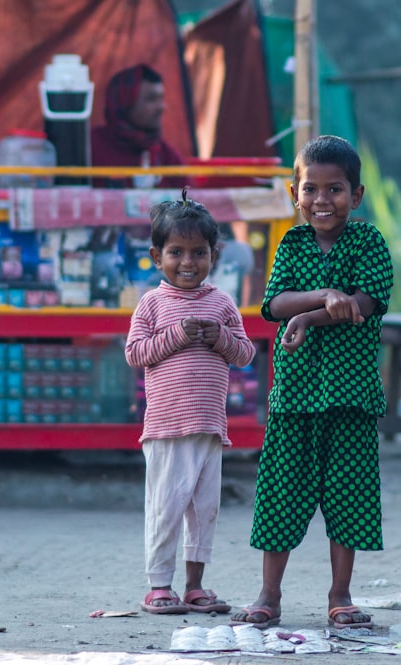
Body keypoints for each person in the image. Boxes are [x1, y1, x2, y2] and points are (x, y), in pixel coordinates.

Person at [230, 135, 393, 630]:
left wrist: (311, 319)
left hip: (351, 398)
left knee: (348, 500)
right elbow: (274, 305)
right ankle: (268, 596)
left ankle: (340, 597)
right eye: (312, 190)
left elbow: (364, 304)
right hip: (295, 398)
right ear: (294, 194)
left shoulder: (370, 243)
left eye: (336, 189)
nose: (323, 200)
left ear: (356, 195)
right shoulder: (291, 243)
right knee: (280, 495)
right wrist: (322, 298)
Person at [125, 190, 257, 614]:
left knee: (204, 510)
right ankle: (158, 585)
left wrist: (220, 338)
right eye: (176, 252)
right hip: (166, 427)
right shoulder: (152, 303)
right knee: (166, 507)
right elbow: (136, 354)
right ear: (156, 255)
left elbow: (245, 353)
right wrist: (177, 335)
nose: (188, 262)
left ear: (213, 255)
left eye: (198, 252)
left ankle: (195, 585)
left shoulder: (222, 303)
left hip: (210, 429)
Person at [91, 64, 190, 189]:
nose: (161, 107)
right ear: (125, 103)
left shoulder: (166, 156)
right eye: (151, 99)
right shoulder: (91, 148)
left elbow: (193, 203)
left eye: (161, 98)